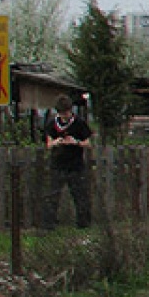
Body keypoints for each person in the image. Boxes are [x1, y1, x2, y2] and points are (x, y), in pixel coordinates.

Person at [42, 94, 92, 230]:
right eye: (63, 113)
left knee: (80, 195)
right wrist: (56, 142)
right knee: (53, 195)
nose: (66, 115)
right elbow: (48, 144)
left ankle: (83, 223)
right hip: (57, 165)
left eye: (68, 112)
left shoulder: (79, 123)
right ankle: (49, 224)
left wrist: (76, 142)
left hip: (75, 165)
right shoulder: (52, 124)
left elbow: (88, 143)